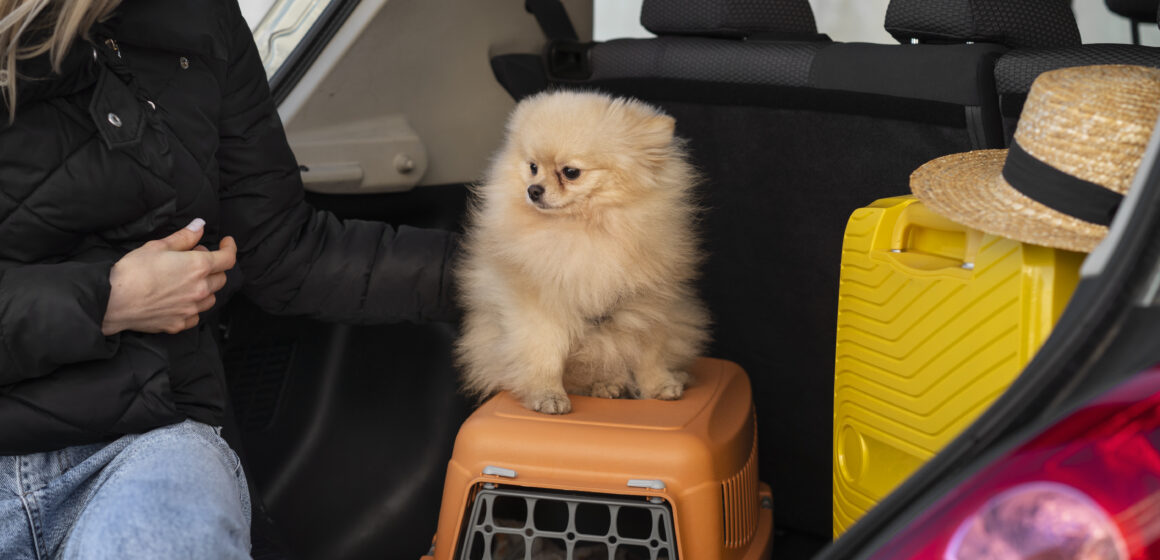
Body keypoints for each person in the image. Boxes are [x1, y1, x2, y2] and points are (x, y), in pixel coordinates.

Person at [0, 0, 458, 558]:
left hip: (145, 442)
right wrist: (107, 300)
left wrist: (515, 276)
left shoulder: (203, 16)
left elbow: (284, 250)